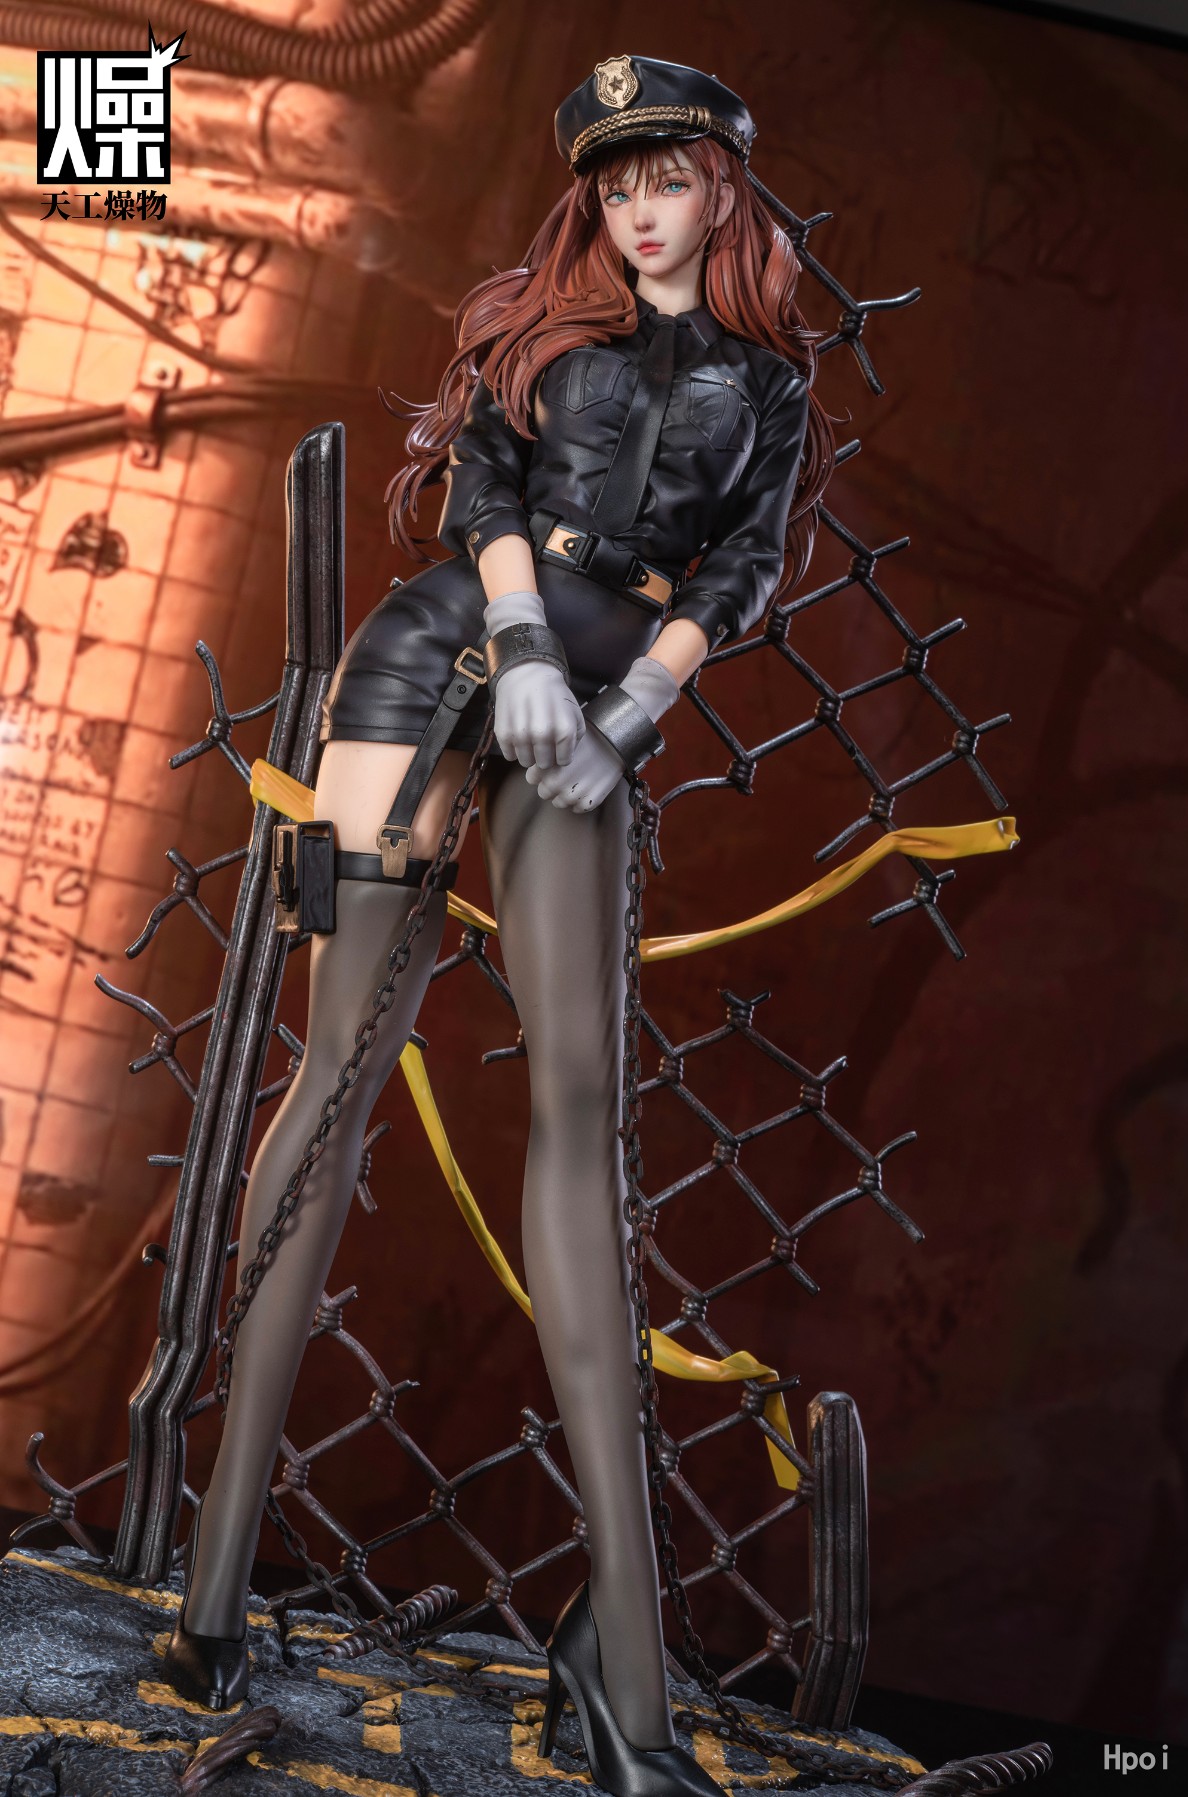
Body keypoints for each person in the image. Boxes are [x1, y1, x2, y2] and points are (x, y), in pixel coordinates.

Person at [163, 53, 834, 1797]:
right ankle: (213, 1586)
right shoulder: (544, 333)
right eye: (616, 185)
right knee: (332, 1073)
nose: (640, 210)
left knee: (579, 1108)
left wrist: (627, 716)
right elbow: (483, 493)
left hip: (596, 708)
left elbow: (741, 572)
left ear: (720, 188)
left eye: (667, 179)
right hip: (432, 662)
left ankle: (627, 1664)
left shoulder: (769, 383)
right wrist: (526, 651)